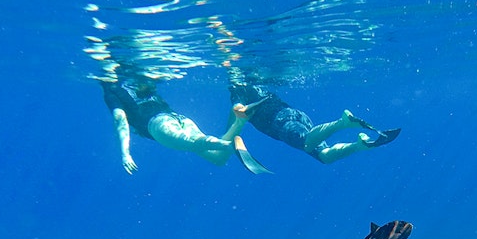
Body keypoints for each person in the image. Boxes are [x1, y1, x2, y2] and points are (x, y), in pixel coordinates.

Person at [101, 77, 253, 174]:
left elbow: (120, 118)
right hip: (178, 118)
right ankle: (240, 119)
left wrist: (125, 153)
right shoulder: (140, 78)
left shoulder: (112, 92)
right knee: (218, 159)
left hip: (158, 126)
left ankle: (230, 145)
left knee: (196, 143)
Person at [229, 83, 400, 165]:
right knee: (324, 156)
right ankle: (360, 145)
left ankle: (343, 123)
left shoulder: (238, 89)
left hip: (280, 123)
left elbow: (239, 110)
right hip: (297, 116)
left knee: (306, 143)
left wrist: (245, 110)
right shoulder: (259, 83)